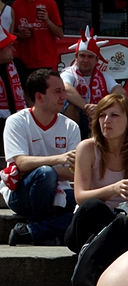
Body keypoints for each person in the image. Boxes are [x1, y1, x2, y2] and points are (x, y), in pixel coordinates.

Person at [65, 94, 128, 253]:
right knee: (92, 206)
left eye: (114, 115)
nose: (106, 120)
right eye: (102, 115)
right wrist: (114, 189)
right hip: (90, 224)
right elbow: (80, 196)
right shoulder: (87, 148)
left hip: (126, 215)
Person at [2, 68, 78, 246]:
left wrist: (50, 166)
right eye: (57, 91)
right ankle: (46, 229)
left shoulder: (70, 126)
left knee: (96, 205)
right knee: (45, 174)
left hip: (61, 192)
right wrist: (58, 160)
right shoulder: (17, 121)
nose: (63, 96)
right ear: (39, 96)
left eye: (63, 91)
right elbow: (19, 162)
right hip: (21, 193)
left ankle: (33, 231)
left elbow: (74, 172)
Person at [61, 27, 126, 139]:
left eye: (90, 56)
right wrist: (87, 107)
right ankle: (72, 142)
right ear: (76, 57)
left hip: (98, 113)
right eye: (82, 56)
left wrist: (101, 108)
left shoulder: (103, 76)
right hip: (79, 114)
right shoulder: (68, 73)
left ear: (97, 60)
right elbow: (66, 88)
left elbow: (120, 91)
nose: (85, 60)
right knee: (70, 107)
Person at [13, 0, 62, 71]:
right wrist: (20, 35)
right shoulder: (16, 4)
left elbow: (60, 34)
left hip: (46, 61)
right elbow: (10, 34)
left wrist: (47, 20)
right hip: (23, 62)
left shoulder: (50, 3)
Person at [0, 26, 26, 139]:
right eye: (10, 46)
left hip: (17, 122)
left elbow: (28, 96)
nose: (14, 50)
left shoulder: (17, 66)